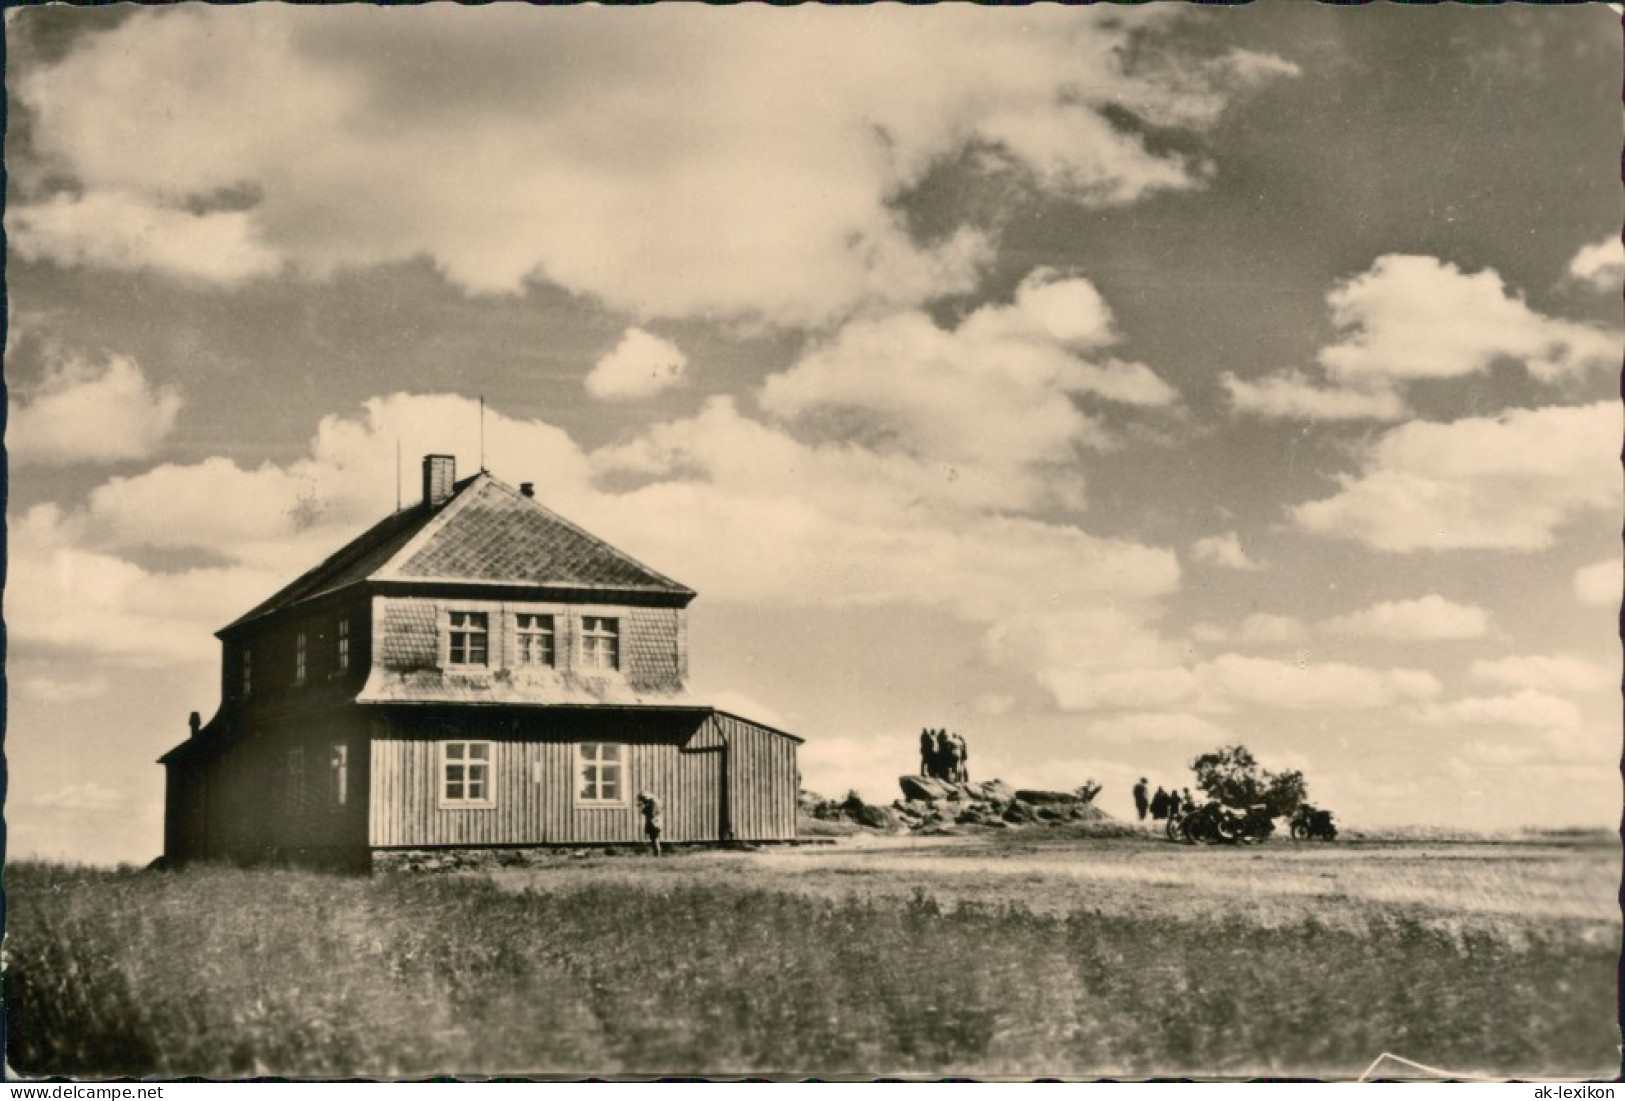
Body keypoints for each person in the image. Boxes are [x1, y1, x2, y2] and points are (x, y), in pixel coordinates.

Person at [636, 791, 663, 857]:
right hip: (655, 821)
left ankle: (657, 855)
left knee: (654, 838)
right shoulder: (654, 801)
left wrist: (643, 809)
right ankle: (656, 854)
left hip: (654, 822)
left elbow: (651, 813)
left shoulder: (653, 802)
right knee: (654, 838)